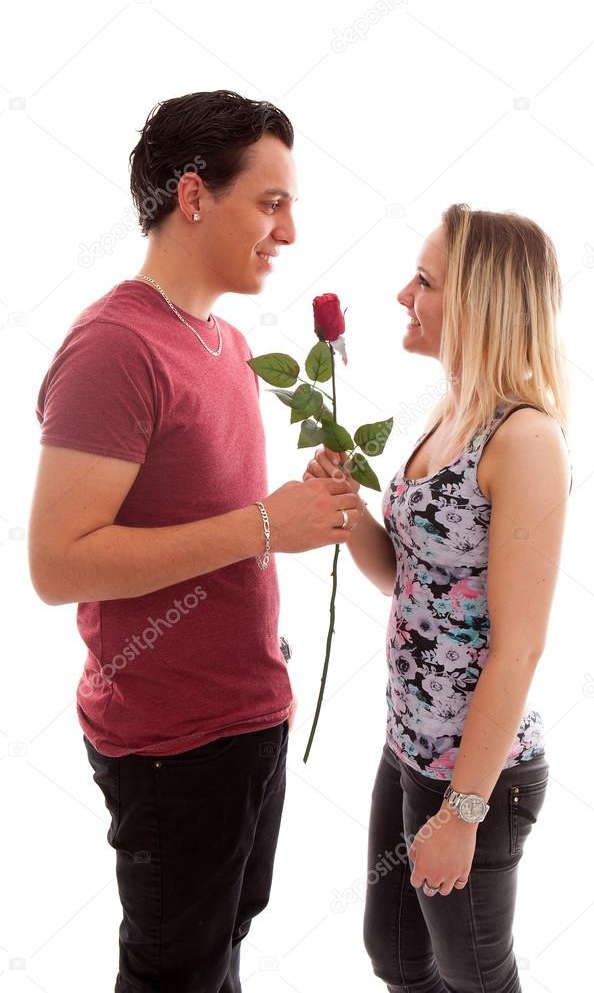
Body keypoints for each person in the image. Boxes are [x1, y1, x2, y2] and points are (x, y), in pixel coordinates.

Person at [27, 89, 363, 993]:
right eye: (270, 200)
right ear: (192, 196)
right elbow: (57, 563)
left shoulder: (225, 342)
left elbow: (195, 518)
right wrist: (262, 524)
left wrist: (289, 510)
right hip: (174, 744)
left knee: (217, 955)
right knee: (175, 973)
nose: (288, 230)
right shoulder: (113, 348)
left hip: (250, 714)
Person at [303, 203, 572, 992]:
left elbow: (518, 646)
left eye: (424, 281)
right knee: (393, 954)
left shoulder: (525, 441)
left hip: (479, 774)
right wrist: (351, 510)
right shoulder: (450, 413)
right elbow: (411, 581)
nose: (401, 296)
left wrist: (463, 812)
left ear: (480, 302)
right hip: (410, 746)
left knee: (475, 978)